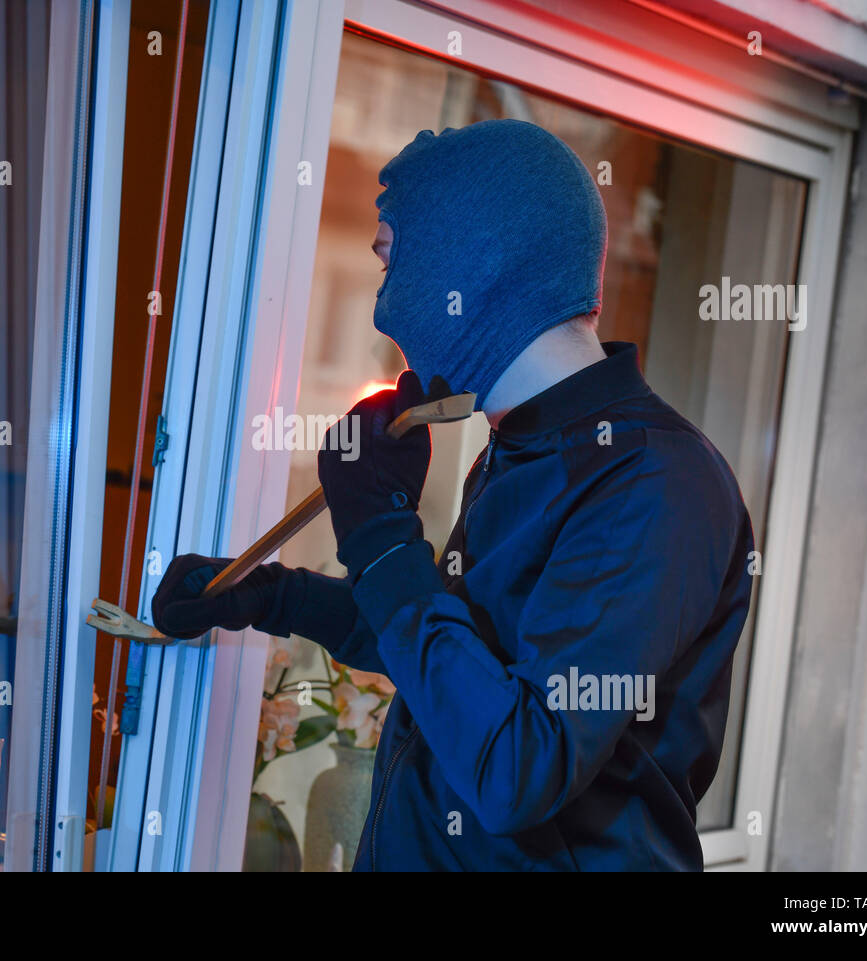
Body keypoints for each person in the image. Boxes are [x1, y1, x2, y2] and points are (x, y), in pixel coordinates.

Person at [152, 119, 754, 871]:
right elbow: (454, 661)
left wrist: (379, 535)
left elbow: (517, 767)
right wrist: (265, 596)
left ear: (470, 269)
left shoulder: (655, 483)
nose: (382, 310)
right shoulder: (523, 450)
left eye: (389, 265)